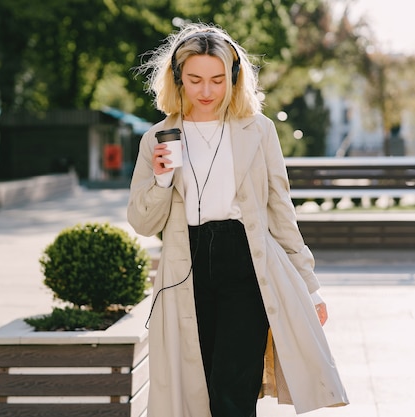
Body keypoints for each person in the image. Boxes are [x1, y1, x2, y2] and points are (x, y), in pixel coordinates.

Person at [127, 22, 349, 417]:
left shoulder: (258, 131)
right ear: (177, 79)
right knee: (195, 390)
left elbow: (280, 211)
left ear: (233, 77)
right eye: (195, 80)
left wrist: (309, 286)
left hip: (246, 265)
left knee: (233, 391)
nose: (207, 92)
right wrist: (161, 180)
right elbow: (143, 223)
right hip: (185, 267)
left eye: (217, 79)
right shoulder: (158, 138)